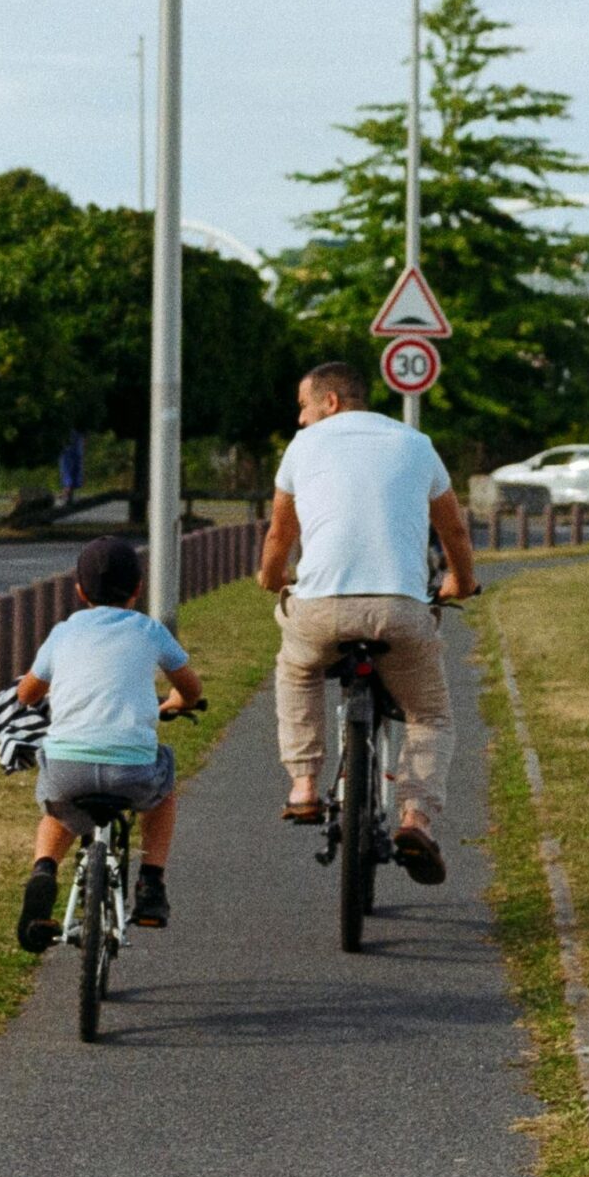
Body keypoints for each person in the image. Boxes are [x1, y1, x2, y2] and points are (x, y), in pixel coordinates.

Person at [256, 361, 478, 884]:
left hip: (320, 609)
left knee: (298, 669)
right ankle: (416, 818)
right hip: (399, 610)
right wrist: (460, 584)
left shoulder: (301, 450)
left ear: (330, 402)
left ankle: (305, 786)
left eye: (303, 407)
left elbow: (278, 539)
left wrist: (271, 580)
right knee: (429, 714)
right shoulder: (416, 445)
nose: (300, 420)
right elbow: (456, 534)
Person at [13, 535, 206, 951]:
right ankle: (151, 882)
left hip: (69, 767)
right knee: (164, 793)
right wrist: (174, 703)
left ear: (80, 590)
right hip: (131, 769)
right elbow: (191, 689)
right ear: (137, 589)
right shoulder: (150, 630)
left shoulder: (63, 633)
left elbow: (27, 694)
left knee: (59, 812)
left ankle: (44, 872)